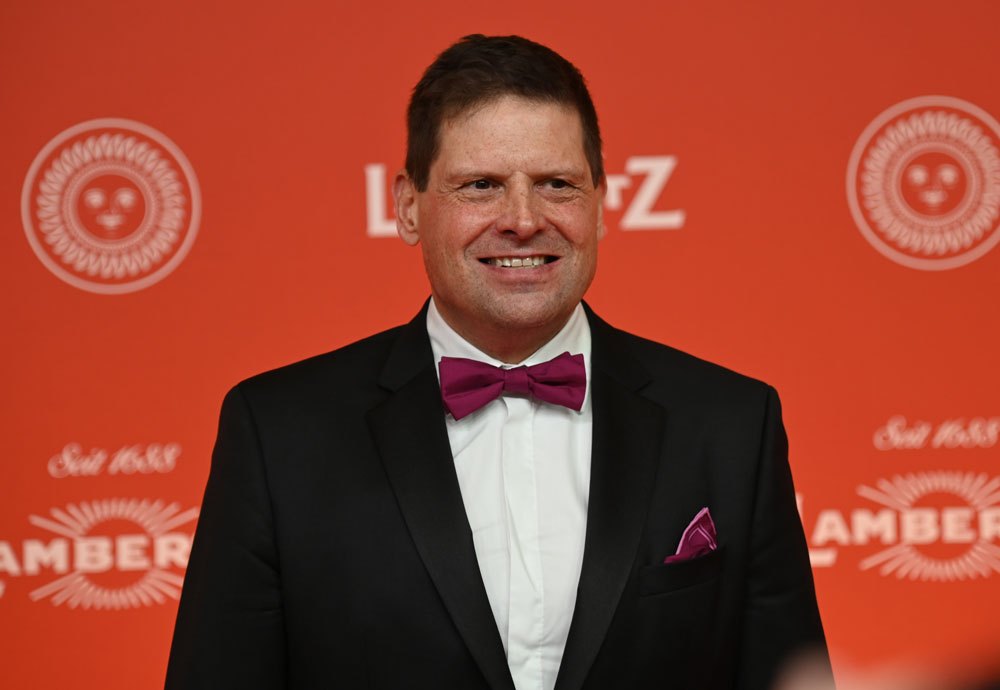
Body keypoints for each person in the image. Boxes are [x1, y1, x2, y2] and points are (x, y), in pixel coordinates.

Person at [165, 34, 831, 690]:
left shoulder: (731, 424)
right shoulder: (279, 433)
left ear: (601, 203)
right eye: (480, 185)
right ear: (407, 207)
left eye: (556, 184)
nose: (522, 219)